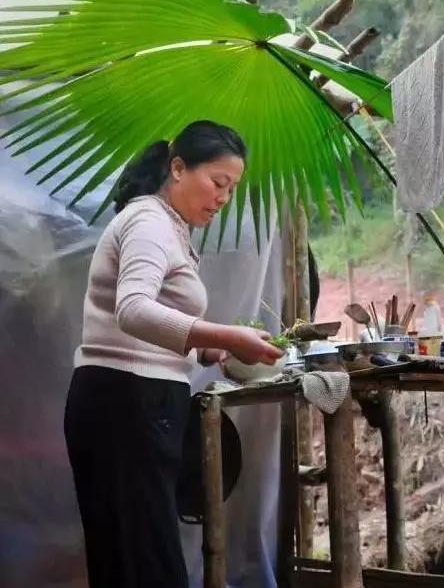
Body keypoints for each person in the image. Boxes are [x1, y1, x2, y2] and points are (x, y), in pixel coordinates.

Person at [64, 120, 284, 588]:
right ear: (178, 168)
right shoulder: (149, 223)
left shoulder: (167, 226)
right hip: (125, 402)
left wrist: (208, 348)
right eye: (218, 182)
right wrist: (228, 336)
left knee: (135, 559)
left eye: (231, 189)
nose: (223, 198)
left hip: (131, 400)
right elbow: (133, 310)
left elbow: (153, 324)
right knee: (145, 563)